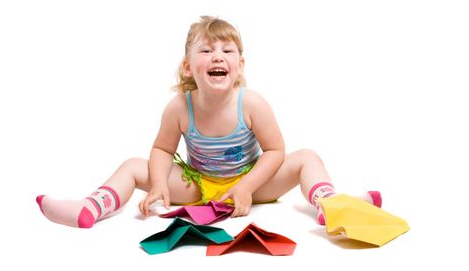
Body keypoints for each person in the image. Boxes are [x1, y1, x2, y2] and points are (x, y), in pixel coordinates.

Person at [36, 16, 381, 228]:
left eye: (227, 51)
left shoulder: (252, 103)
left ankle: (333, 205)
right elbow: (161, 149)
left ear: (240, 65)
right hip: (198, 185)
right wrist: (158, 184)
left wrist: (246, 186)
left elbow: (276, 151)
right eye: (206, 50)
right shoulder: (179, 108)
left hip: (252, 183)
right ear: (188, 67)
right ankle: (92, 206)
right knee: (132, 165)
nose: (217, 56)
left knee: (306, 157)